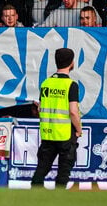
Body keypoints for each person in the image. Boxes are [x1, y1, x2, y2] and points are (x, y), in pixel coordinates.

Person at [31, 47, 82, 189]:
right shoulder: (71, 85)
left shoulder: (46, 83)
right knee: (63, 173)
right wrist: (78, 129)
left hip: (48, 133)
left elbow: (40, 108)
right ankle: (59, 202)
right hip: (65, 134)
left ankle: (32, 200)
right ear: (72, 63)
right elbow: (73, 111)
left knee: (41, 170)